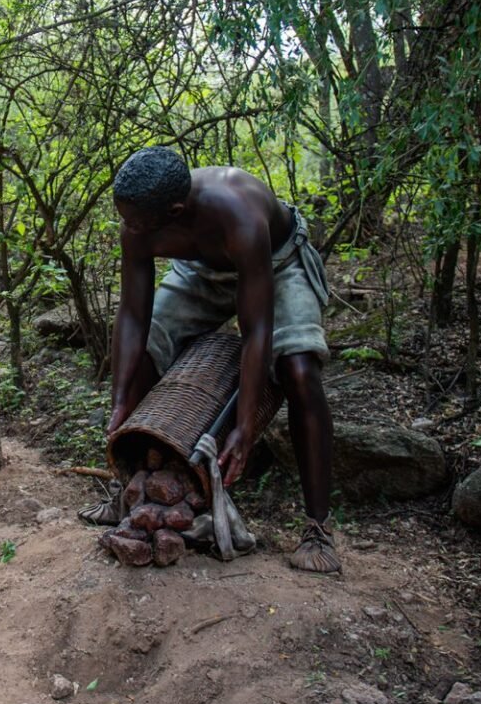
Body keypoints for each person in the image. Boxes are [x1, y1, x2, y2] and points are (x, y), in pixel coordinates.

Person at [103, 146, 340, 574]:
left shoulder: (238, 213)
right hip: (200, 273)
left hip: (277, 264)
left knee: (299, 370)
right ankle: (136, 494)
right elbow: (134, 316)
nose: (128, 229)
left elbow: (257, 331)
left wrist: (244, 429)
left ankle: (318, 527)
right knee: (141, 358)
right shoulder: (138, 221)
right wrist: (121, 399)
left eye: (135, 222)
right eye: (126, 219)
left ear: (175, 213)